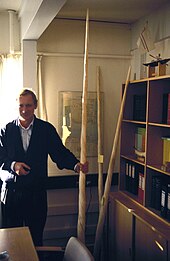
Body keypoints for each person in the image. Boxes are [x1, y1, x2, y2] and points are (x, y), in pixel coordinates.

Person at [0, 88, 88, 246]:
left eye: (28, 105)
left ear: (35, 106)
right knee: (10, 241)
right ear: (16, 106)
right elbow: (0, 157)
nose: (24, 109)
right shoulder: (6, 130)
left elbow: (59, 153)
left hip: (36, 195)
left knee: (35, 240)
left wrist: (76, 165)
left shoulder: (46, 129)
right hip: (12, 194)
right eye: (21, 106)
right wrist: (14, 165)